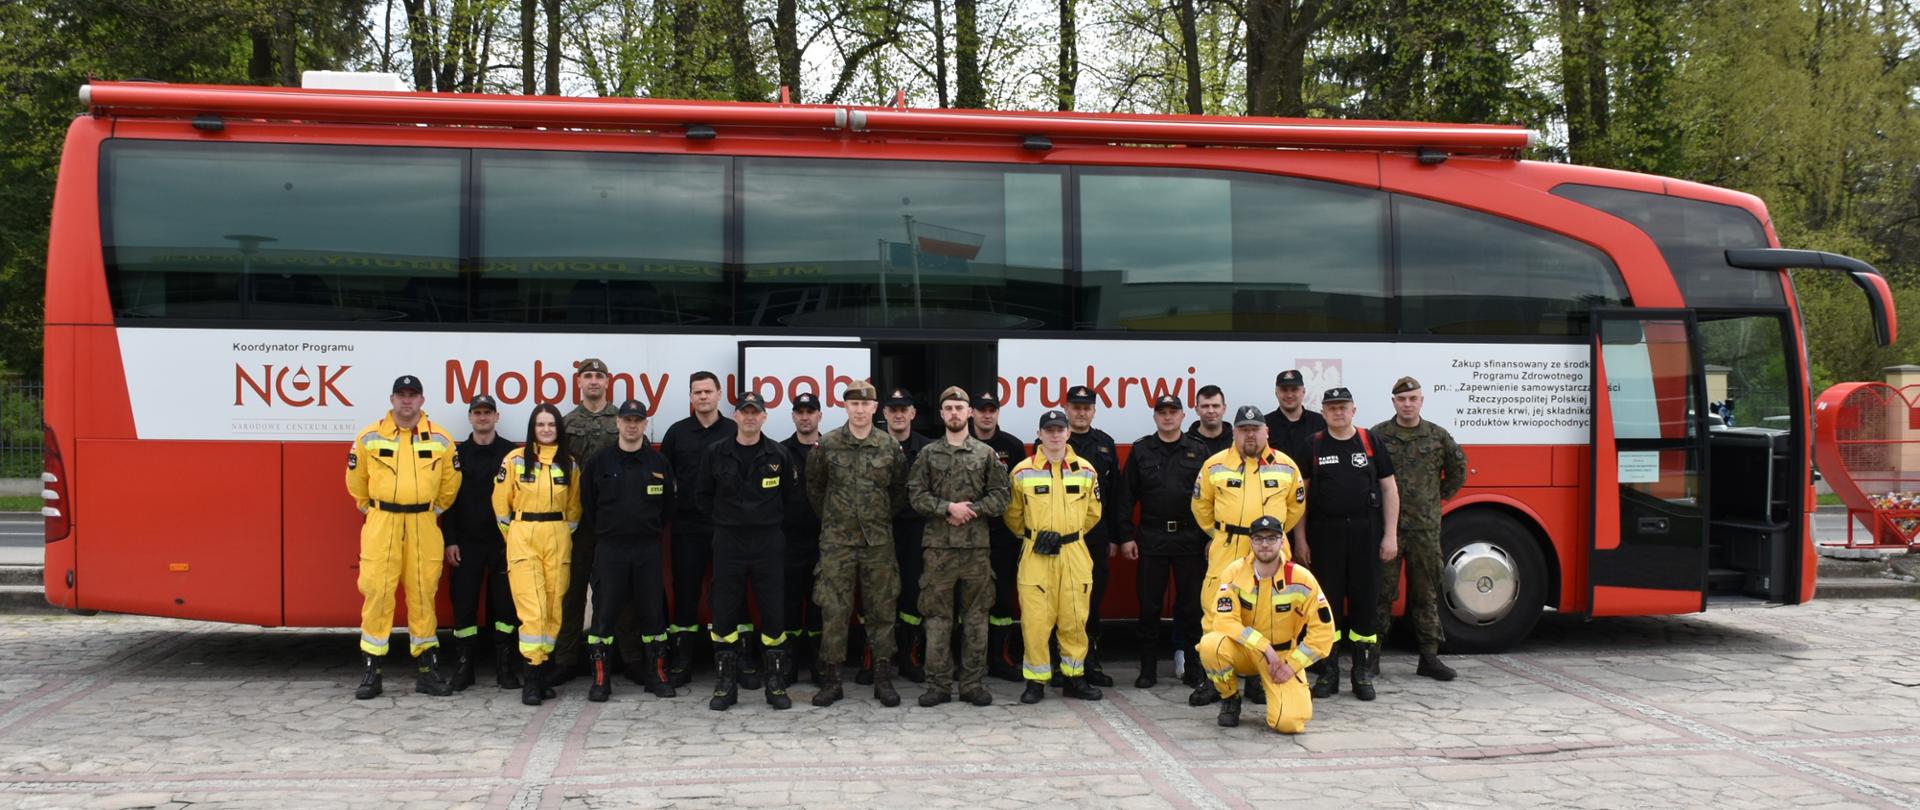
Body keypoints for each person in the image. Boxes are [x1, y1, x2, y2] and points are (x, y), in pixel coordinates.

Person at [346, 374, 462, 700]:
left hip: (423, 522)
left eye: (413, 395)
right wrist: (375, 509)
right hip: (383, 521)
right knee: (377, 594)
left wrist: (431, 511)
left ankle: (427, 669)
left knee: (424, 593)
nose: (407, 401)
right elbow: (356, 482)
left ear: (422, 400)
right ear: (392, 399)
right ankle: (372, 670)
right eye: (401, 395)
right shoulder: (369, 437)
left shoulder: (440, 439)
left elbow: (450, 485)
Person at [1189, 404, 1305, 708]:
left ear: (1267, 432)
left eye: (1255, 429)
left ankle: (1259, 679)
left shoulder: (1286, 466)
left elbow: (1295, 508)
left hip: (1270, 548)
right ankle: (1216, 682)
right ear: (1234, 432)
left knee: (1269, 615)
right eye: (1243, 429)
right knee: (1215, 612)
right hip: (1228, 546)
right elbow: (1201, 507)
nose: (1249, 435)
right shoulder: (1214, 466)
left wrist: (1271, 539)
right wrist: (1221, 534)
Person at [806, 380, 909, 708]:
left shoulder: (889, 446)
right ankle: (832, 679)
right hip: (837, 542)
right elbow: (815, 488)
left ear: (875, 407)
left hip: (878, 541)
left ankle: (883, 678)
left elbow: (898, 490)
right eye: (854, 404)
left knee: (882, 609)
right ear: (846, 407)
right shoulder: (828, 445)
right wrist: (837, 519)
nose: (860, 410)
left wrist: (876, 517)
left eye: (866, 404)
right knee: (834, 610)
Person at [907, 387, 1012, 707]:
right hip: (938, 550)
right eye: (948, 408)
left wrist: (972, 510)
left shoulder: (985, 455)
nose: (954, 412)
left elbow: (1002, 496)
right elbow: (915, 495)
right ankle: (938, 685)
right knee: (937, 619)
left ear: (969, 414)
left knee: (977, 619)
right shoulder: (927, 454)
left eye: (960, 408)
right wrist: (946, 508)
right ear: (941, 415)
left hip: (976, 550)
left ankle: (972, 684)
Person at [696, 392, 800, 711]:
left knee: (773, 613)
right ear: (736, 416)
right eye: (745, 412)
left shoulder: (779, 454)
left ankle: (775, 683)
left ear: (764, 417)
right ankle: (726, 685)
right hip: (729, 541)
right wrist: (726, 523)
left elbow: (791, 500)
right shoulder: (715, 453)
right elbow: (702, 496)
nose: (750, 417)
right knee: (724, 612)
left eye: (756, 412)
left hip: (768, 542)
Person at [1293, 387, 1397, 701]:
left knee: (1366, 604)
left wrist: (1390, 534)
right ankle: (1328, 673)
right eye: (1332, 408)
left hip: (1366, 534)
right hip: (1326, 537)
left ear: (1354, 410)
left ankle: (1361, 673)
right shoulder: (1313, 445)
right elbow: (1299, 499)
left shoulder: (1370, 442)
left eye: (1343, 407)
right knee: (1328, 608)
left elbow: (1390, 490)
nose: (1338, 413)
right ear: (1323, 413)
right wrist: (1300, 539)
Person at [1196, 515, 1334, 733]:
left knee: (1289, 724)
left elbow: (1323, 631)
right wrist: (1264, 647)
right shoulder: (1234, 572)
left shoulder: (1301, 579)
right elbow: (1224, 620)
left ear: (1282, 542)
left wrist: (1292, 667)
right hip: (1247, 650)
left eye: (1272, 538)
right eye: (1259, 539)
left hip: (1283, 659)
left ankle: (1283, 695)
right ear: (1251, 542)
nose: (1265, 544)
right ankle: (1230, 698)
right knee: (1210, 645)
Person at [579, 398, 676, 702]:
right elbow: (589, 505)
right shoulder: (600, 462)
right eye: (627, 420)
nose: (632, 425)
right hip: (611, 548)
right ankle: (601, 679)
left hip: (647, 548)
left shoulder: (658, 464)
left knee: (652, 614)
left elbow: (667, 509)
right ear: (617, 423)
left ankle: (656, 674)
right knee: (604, 615)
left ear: (645, 424)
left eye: (638, 420)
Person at [1372, 376, 1468, 682]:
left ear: (1421, 401)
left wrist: (1434, 499)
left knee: (1425, 593)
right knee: (1381, 593)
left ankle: (1429, 657)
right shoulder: (1378, 436)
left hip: (1424, 529)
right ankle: (1371, 658)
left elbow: (1457, 471)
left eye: (1413, 399)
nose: (1407, 404)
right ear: (1394, 403)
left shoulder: (1437, 437)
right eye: (1402, 400)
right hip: (1389, 528)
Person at [1005, 409, 1104, 704]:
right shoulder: (1022, 471)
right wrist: (1035, 534)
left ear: (1068, 433)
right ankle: (1036, 681)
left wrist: (1068, 534)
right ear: (1039, 435)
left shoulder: (1085, 470)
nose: (1055, 434)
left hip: (1074, 552)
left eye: (1059, 429)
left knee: (1074, 618)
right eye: (1048, 430)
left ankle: (1074, 678)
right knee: (1035, 621)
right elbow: (1012, 514)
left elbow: (1093, 513)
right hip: (1036, 553)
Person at [492, 403, 584, 706]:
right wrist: (516, 536)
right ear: (532, 428)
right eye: (540, 424)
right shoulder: (515, 460)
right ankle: (531, 678)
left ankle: (543, 670)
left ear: (559, 429)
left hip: (557, 536)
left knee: (553, 605)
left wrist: (559, 533)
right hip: (523, 535)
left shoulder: (569, 465)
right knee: (531, 608)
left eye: (551, 425)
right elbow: (501, 506)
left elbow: (574, 510)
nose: (546, 430)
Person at [1118, 394, 1209, 690]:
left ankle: (1195, 667)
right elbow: (1126, 497)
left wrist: (1210, 537)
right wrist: (1126, 536)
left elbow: (1211, 497)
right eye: (1162, 412)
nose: (1167, 417)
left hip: (1190, 539)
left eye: (1173, 412)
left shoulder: (1199, 450)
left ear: (1183, 416)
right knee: (1149, 606)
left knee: (1191, 607)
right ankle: (1148, 668)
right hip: (1152, 538)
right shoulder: (1142, 450)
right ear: (1155, 417)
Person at [660, 371, 737, 688]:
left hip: (725, 527)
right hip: (688, 526)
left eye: (708, 391)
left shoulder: (733, 430)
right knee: (687, 593)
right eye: (697, 392)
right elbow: (661, 478)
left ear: (720, 394)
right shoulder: (677, 433)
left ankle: (733, 660)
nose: (703, 397)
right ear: (690, 397)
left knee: (729, 594)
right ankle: (682, 660)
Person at [444, 394, 520, 692]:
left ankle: (504, 666)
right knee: (464, 605)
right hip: (467, 544)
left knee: (505, 608)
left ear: (497, 417)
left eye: (488, 413)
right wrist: (450, 541)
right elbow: (448, 502)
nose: (483, 417)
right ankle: (465, 666)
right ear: (470, 417)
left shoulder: (511, 454)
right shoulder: (457, 455)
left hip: (503, 544)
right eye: (478, 413)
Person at [555, 358, 623, 684]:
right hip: (577, 522)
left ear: (608, 382)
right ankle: (565, 658)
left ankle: (622, 656)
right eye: (588, 376)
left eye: (599, 376)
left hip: (613, 521)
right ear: (579, 382)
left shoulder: (622, 420)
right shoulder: (566, 423)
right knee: (572, 591)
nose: (593, 381)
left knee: (615, 591)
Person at [1063, 385, 1126, 688]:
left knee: (1093, 600)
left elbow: (1114, 496)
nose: (1081, 412)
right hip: (1063, 536)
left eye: (1086, 407)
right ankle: (1062, 662)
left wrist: (1115, 536)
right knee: (1062, 601)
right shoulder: (1054, 440)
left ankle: (1091, 660)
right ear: (1066, 409)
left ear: (1094, 410)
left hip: (1096, 537)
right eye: (1075, 407)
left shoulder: (1105, 444)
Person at [970, 391, 1029, 682]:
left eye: (992, 410)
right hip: (969, 534)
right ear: (971, 413)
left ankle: (1000, 656)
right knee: (969, 600)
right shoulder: (960, 442)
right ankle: (970, 660)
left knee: (1003, 601)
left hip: (1004, 535)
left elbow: (1022, 492)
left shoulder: (1013, 446)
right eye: (981, 410)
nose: (987, 415)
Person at [882, 388, 934, 684]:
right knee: (879, 595)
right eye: (893, 409)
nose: (899, 414)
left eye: (904, 409)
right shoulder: (873, 446)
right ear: (884, 414)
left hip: (916, 529)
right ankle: (877, 659)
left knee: (914, 595)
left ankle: (909, 656)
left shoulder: (928, 449)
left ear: (913, 414)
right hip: (882, 529)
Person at [780, 392, 827, 685]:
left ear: (820, 416)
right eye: (800, 411)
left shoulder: (831, 449)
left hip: (825, 541)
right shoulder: (780, 452)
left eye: (811, 411)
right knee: (788, 604)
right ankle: (788, 664)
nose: (805, 416)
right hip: (789, 541)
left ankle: (819, 665)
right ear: (793, 416)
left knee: (820, 605)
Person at [1265, 369, 1326, 464]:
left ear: (1303, 391)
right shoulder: (1264, 424)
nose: (1289, 395)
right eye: (1284, 390)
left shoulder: (1321, 422)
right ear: (1276, 392)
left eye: (1294, 389)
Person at [1185, 385, 1232, 455]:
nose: (1211, 411)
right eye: (1205, 406)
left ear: (1224, 409)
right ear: (1197, 410)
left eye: (1215, 406)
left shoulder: (1236, 442)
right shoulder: (1183, 443)